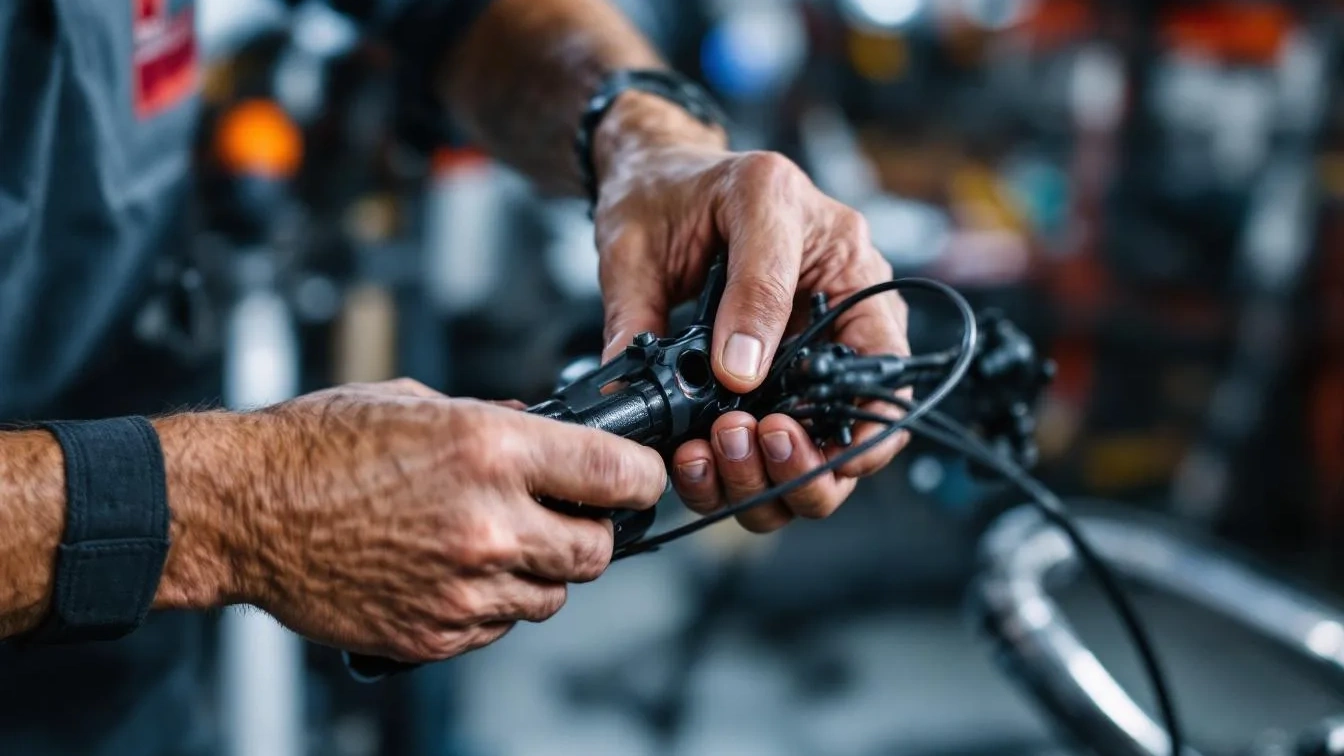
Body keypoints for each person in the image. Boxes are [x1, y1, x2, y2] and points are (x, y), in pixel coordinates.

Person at [0, 0, 909, 753]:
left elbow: (449, 12)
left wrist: (641, 132)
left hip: (125, 680)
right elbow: (223, 510)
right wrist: (231, 508)